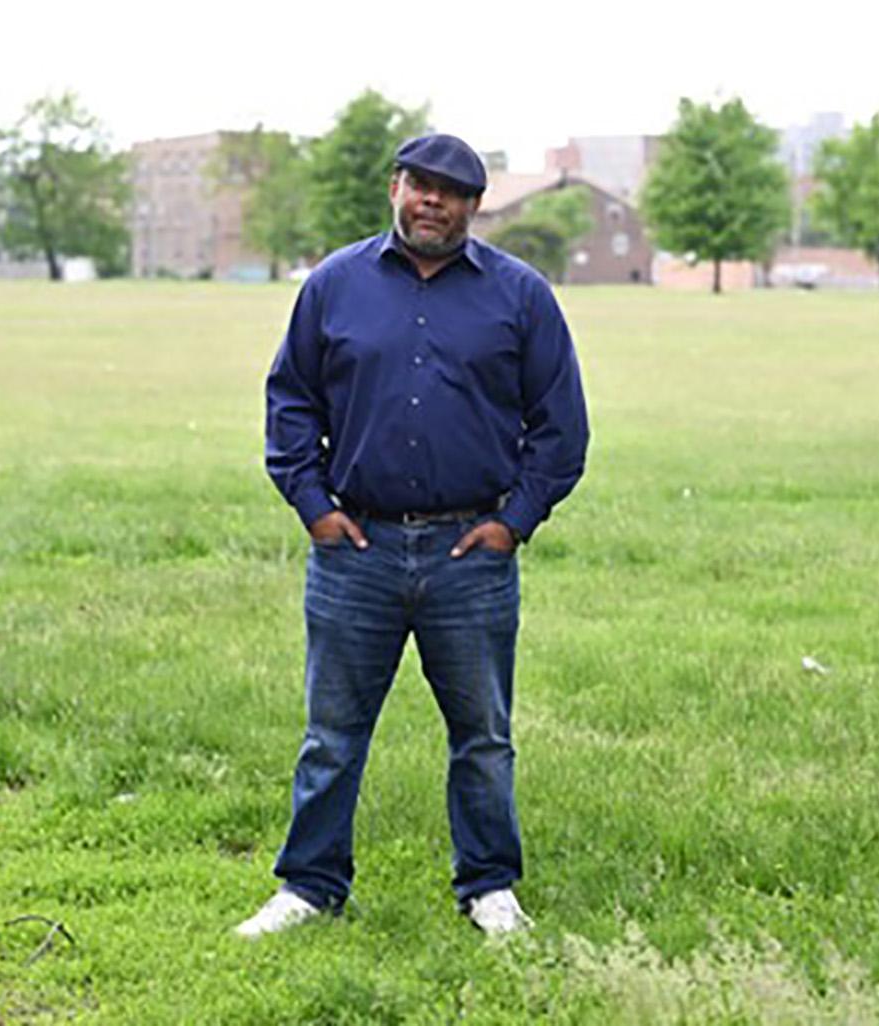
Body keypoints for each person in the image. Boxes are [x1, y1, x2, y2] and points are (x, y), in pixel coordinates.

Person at [236, 133, 589, 938]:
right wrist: (312, 504)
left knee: (483, 737)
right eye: (420, 185)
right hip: (354, 551)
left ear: (473, 205)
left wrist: (513, 522)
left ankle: (489, 888)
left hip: (471, 554)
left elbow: (560, 427)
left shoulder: (521, 296)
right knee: (332, 735)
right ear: (395, 188)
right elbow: (290, 401)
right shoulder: (334, 285)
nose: (433, 201)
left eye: (452, 191)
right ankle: (310, 887)